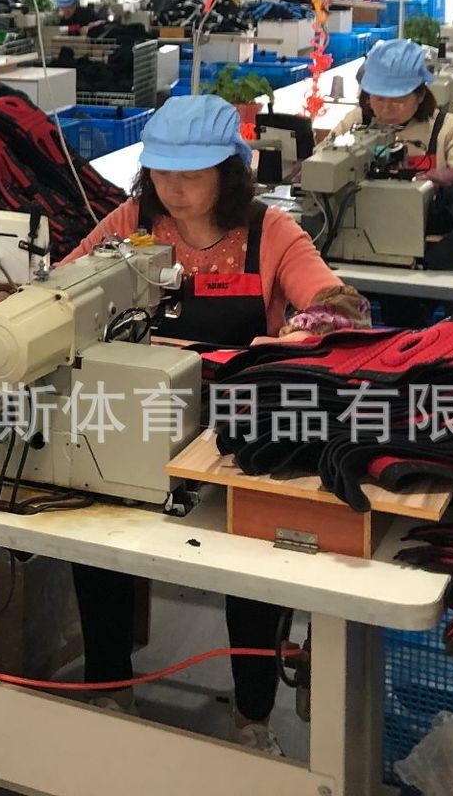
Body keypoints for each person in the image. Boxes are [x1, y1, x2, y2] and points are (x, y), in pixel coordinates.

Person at [64, 95, 369, 753]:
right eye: (162, 172)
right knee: (97, 542)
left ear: (230, 172)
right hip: (136, 421)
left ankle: (252, 716)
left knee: (253, 564)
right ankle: (109, 688)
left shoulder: (271, 233)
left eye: (192, 174)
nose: (173, 189)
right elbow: (63, 288)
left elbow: (342, 307)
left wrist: (302, 331)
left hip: (234, 432)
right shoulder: (131, 223)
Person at [358, 39, 453, 178]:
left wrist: (430, 180)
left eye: (398, 99)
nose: (386, 109)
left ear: (420, 95)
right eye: (379, 99)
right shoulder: (357, 120)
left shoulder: (446, 128)